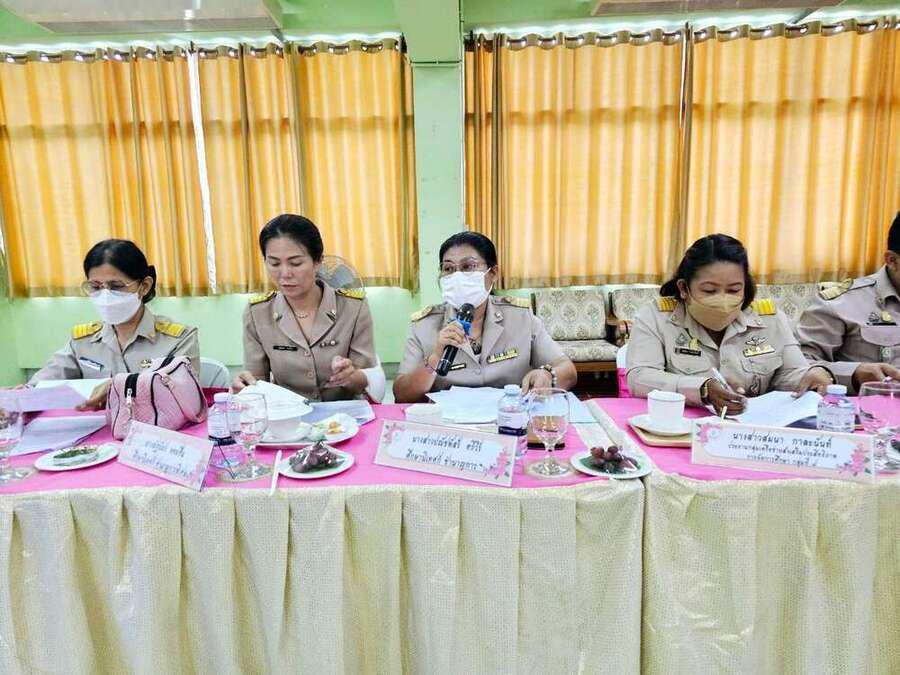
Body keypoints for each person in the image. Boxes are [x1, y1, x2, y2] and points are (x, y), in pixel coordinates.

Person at [626, 234, 833, 414]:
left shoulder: (770, 319)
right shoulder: (657, 317)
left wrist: (811, 376)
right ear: (683, 288)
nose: (723, 301)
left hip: (753, 428)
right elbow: (639, 377)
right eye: (709, 291)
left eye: (734, 290)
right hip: (683, 425)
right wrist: (702, 389)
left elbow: (790, 373)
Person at [393, 231, 576, 403]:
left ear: (493, 273)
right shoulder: (424, 325)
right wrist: (435, 358)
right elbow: (402, 394)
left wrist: (547, 374)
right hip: (449, 422)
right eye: (448, 268)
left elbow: (566, 369)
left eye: (468, 267)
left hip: (509, 416)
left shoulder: (520, 317)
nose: (457, 276)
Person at [29, 239, 199, 410]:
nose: (105, 296)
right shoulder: (83, 341)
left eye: (116, 286)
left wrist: (120, 386)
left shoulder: (179, 339)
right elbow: (50, 377)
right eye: (95, 287)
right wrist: (25, 394)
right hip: (96, 425)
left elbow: (184, 394)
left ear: (144, 286)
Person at [232, 214, 377, 401]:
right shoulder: (258, 313)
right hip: (287, 414)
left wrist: (351, 376)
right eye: (274, 263)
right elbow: (257, 383)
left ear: (318, 262)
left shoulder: (353, 308)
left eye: (296, 263)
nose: (285, 274)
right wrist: (245, 388)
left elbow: (368, 380)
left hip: (344, 414)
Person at [794, 211, 900, 392]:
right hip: (872, 407)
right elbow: (798, 367)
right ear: (892, 260)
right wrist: (854, 374)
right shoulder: (841, 303)